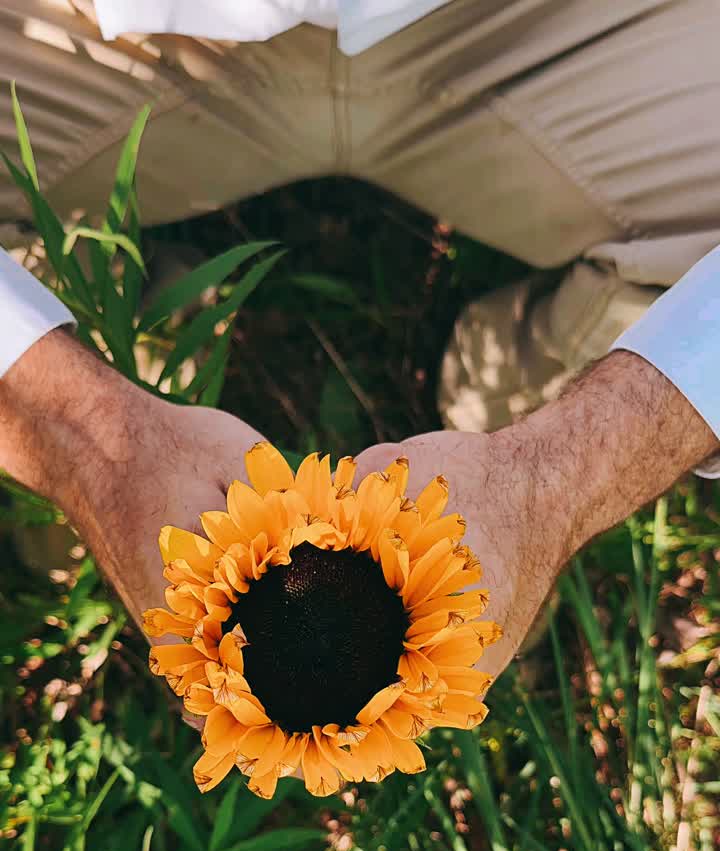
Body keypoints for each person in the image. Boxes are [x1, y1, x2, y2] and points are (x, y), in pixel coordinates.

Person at [0, 0, 719, 679]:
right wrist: (78, 434)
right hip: (103, 26)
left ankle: (514, 419)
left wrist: (560, 477)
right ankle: (112, 368)